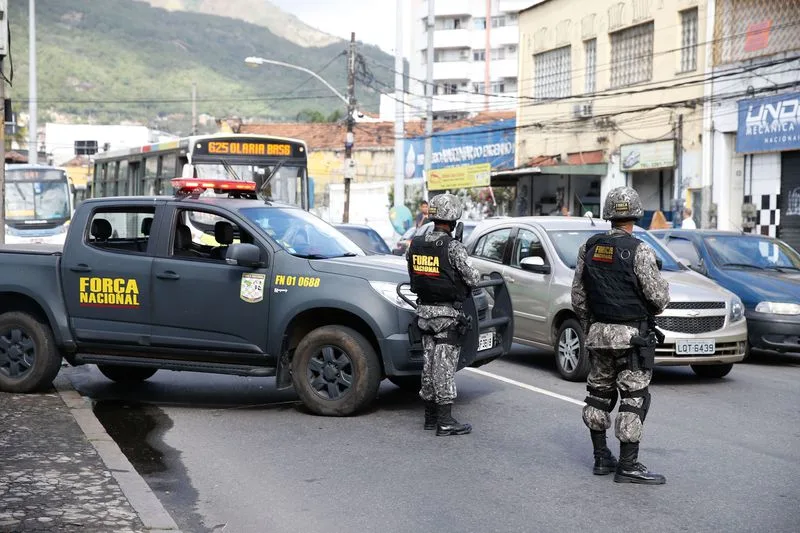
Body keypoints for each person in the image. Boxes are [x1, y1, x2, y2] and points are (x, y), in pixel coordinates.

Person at [571, 186, 670, 484]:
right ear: (636, 215)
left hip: (599, 334)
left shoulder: (588, 247)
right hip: (631, 338)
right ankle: (627, 465)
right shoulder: (640, 250)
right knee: (634, 397)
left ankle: (601, 457)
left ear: (608, 215)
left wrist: (593, 328)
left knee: (598, 394)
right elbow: (659, 299)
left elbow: (578, 297)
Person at [406, 193, 481, 436]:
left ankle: (429, 418)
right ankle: (446, 421)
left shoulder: (416, 243)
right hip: (446, 315)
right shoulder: (453, 247)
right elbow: (472, 278)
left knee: (428, 366)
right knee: (444, 368)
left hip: (424, 313)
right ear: (453, 219)